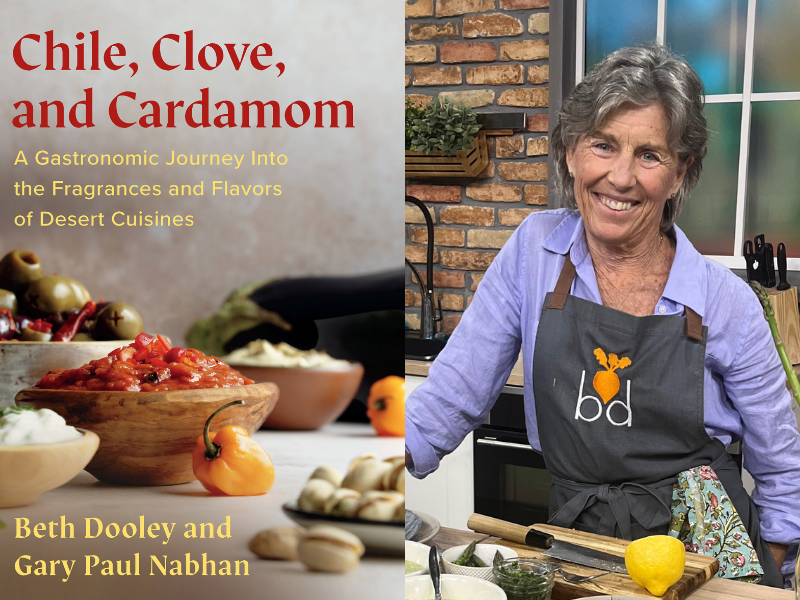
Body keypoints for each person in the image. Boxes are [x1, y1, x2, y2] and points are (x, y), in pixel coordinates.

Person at [405, 45, 800, 587]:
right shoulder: (534, 252)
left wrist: (775, 567)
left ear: (680, 172)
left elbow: (780, 460)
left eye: (650, 155)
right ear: (570, 152)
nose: (620, 176)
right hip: (578, 543)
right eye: (603, 145)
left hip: (708, 552)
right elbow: (452, 393)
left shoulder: (722, 299)